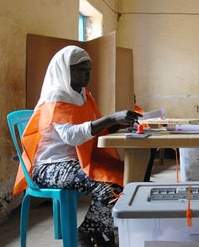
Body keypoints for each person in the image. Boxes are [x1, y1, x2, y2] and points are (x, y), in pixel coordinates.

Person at [13, 45, 142, 247]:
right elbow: (72, 136)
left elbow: (92, 128)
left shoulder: (82, 94)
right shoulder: (56, 96)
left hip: (75, 161)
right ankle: (87, 233)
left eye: (89, 69)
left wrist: (118, 124)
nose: (88, 74)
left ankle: (99, 232)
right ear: (66, 69)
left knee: (127, 175)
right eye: (82, 70)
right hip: (50, 166)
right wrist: (111, 118)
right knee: (110, 186)